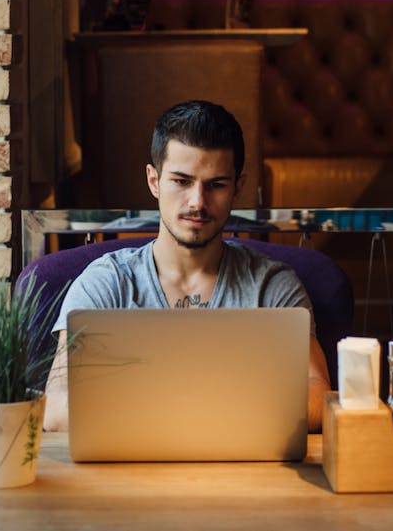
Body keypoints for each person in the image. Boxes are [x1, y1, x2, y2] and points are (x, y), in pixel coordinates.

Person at [42, 99, 331, 431]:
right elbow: (58, 408)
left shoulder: (271, 285)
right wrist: (213, 408)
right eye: (181, 181)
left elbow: (319, 397)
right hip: (132, 477)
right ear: (154, 181)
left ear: (238, 187)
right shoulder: (106, 283)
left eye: (216, 185)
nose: (197, 202)